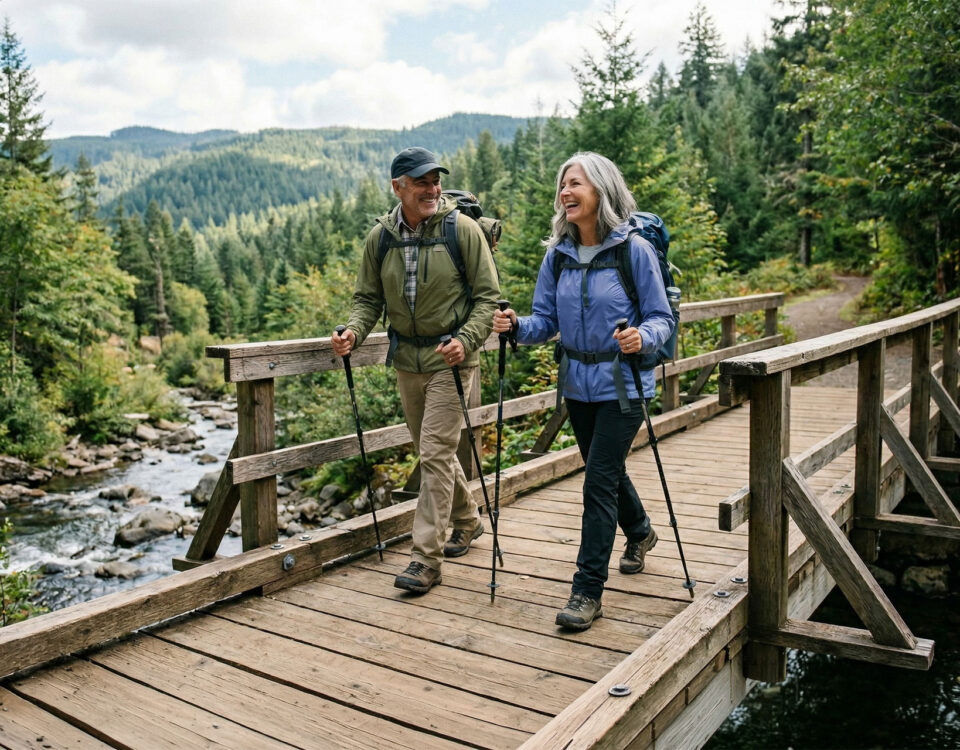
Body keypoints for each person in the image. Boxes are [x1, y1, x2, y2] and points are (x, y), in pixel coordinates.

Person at [493, 151, 675, 631]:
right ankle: (640, 531)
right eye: (562, 185)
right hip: (577, 386)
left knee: (597, 482)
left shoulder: (632, 250)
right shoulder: (558, 255)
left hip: (625, 384)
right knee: (607, 472)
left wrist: (643, 337)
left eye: (575, 184)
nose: (565, 193)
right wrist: (515, 327)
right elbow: (546, 322)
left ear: (601, 191)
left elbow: (661, 317)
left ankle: (586, 591)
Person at [332, 146, 499, 594]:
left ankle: (425, 558)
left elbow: (488, 300)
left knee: (435, 452)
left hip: (452, 361)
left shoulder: (461, 231)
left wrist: (464, 342)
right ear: (398, 187)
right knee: (431, 453)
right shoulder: (381, 237)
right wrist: (353, 332)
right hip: (407, 360)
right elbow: (368, 299)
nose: (432, 189)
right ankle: (466, 518)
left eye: (435, 180)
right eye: (421, 181)